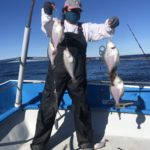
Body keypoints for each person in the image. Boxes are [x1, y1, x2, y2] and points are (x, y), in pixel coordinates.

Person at [30, 0, 119, 150]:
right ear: (65, 10)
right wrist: (47, 12)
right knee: (48, 106)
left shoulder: (84, 28)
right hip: (55, 75)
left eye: (78, 11)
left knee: (82, 107)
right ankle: (39, 143)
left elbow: (103, 29)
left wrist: (111, 24)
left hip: (77, 76)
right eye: (73, 10)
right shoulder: (56, 24)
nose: (75, 13)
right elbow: (46, 25)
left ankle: (85, 142)